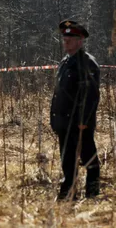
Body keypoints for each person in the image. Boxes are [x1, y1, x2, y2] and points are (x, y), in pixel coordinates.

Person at [50, 20, 101, 200]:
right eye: (64, 39)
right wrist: (54, 119)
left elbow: (91, 96)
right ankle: (69, 195)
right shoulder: (66, 62)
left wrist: (83, 121)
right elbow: (59, 94)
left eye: (70, 40)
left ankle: (92, 194)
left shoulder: (87, 63)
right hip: (64, 121)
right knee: (67, 161)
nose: (66, 43)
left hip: (79, 123)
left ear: (80, 41)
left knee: (89, 160)